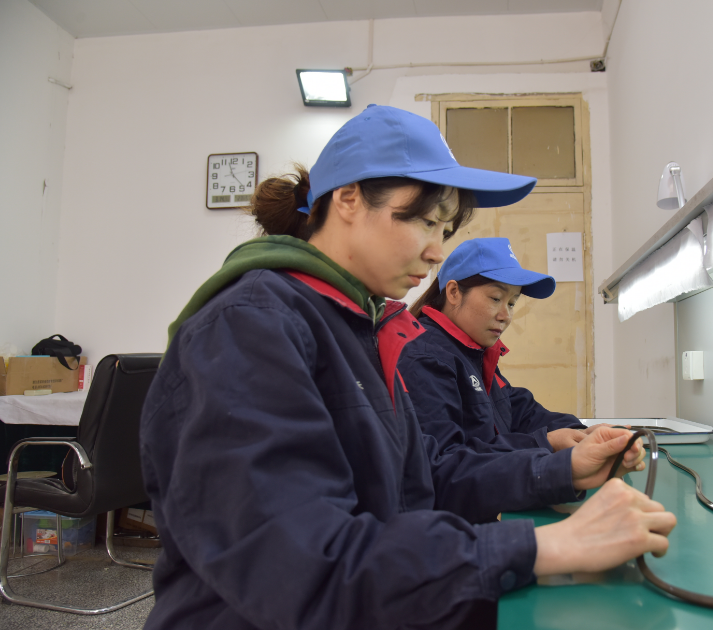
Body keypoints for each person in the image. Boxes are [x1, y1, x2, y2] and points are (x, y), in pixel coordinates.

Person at [139, 105, 676, 630]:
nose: (437, 252)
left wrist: (563, 470)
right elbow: (297, 566)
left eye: (444, 230)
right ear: (348, 198)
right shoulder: (250, 326)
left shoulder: (362, 329)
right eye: (425, 221)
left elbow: (427, 482)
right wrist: (544, 546)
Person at [400, 237, 592, 458]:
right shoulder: (425, 357)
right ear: (453, 292)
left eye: (511, 303)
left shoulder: (474, 355)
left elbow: (520, 411)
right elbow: (445, 463)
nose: (505, 316)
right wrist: (544, 443)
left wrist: (582, 433)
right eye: (495, 298)